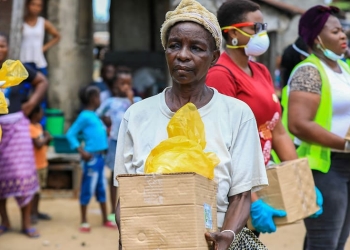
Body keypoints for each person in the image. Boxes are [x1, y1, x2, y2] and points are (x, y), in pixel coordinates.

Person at [114, 0, 269, 249]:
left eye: (196, 48)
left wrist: (227, 234)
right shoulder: (137, 115)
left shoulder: (237, 114)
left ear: (214, 57)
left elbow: (240, 195)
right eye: (174, 45)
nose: (183, 55)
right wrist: (130, 237)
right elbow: (128, 195)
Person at [206, 0, 301, 235]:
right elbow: (225, 145)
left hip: (255, 180)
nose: (262, 34)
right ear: (231, 34)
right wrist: (252, 200)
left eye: (264, 27)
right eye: (255, 28)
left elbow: (276, 129)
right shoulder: (220, 75)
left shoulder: (260, 71)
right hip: (231, 192)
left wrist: (300, 177)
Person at [283, 5, 350, 250]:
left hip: (346, 163)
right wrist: (345, 143)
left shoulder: (344, 68)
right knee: (324, 243)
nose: (343, 35)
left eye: (342, 30)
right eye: (335, 32)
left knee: (338, 241)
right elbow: (298, 124)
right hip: (324, 166)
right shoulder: (309, 71)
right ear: (317, 38)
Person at [0, 32, 48, 238]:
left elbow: (42, 82)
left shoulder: (14, 68)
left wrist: (31, 103)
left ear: (7, 48)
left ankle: (27, 223)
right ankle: (5, 222)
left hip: (18, 126)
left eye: (2, 45)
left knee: (23, 174)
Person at [66, 86, 117, 233]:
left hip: (100, 158)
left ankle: (105, 219)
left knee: (101, 189)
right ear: (92, 98)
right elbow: (71, 134)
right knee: (87, 189)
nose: (100, 100)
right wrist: (81, 151)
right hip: (91, 158)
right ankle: (83, 221)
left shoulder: (94, 115)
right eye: (98, 97)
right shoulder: (85, 116)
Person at [96, 70, 141, 223]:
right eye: (122, 83)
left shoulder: (136, 100)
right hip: (115, 142)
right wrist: (105, 122)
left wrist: (131, 100)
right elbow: (97, 115)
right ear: (115, 85)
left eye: (128, 84)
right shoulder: (110, 101)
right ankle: (112, 209)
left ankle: (133, 207)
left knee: (133, 174)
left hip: (134, 143)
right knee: (115, 176)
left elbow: (141, 115)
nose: (125, 87)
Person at [21, 0, 60, 76]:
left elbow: (57, 36)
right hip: (23, 58)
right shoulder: (21, 22)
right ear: (27, 5)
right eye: (33, 4)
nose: (36, 8)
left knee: (41, 82)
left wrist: (44, 48)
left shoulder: (43, 22)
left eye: (39, 6)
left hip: (38, 60)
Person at [28, 104, 52, 224]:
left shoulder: (38, 126)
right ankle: (31, 213)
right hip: (34, 166)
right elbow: (38, 144)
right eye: (41, 112)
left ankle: (36, 211)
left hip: (42, 164)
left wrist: (47, 139)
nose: (42, 115)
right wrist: (47, 138)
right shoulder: (30, 127)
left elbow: (43, 143)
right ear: (35, 114)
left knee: (38, 191)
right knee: (33, 191)